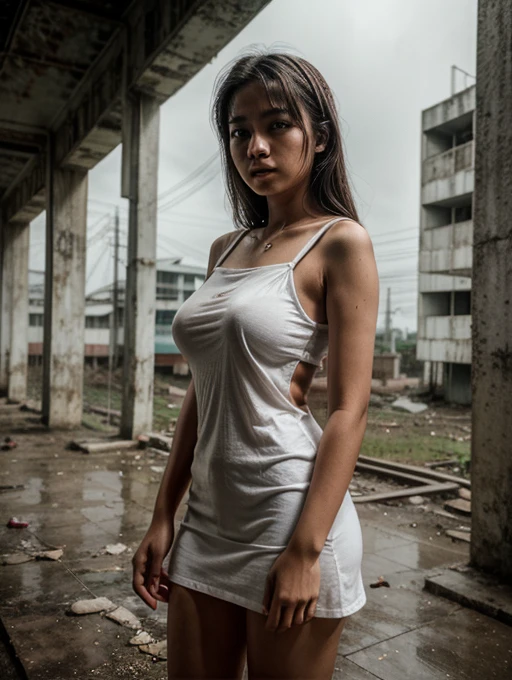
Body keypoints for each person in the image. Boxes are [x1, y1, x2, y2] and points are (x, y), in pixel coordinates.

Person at [132, 49, 379, 680]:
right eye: (240, 132)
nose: (256, 147)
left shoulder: (341, 242)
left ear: (318, 137)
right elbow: (201, 393)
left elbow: (349, 408)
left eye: (277, 125)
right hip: (208, 523)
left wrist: (306, 550)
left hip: (289, 516)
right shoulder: (226, 247)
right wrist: (165, 514)